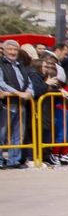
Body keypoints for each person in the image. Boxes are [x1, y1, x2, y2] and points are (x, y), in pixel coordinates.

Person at [0, 38, 34, 169]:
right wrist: (18, 93)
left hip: (21, 104)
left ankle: (14, 161)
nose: (12, 52)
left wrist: (29, 92)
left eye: (15, 49)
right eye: (10, 49)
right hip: (7, 104)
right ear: (4, 50)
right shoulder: (1, 64)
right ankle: (1, 161)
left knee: (18, 134)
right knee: (2, 133)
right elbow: (2, 83)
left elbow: (28, 82)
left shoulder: (21, 65)